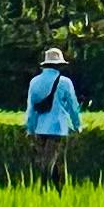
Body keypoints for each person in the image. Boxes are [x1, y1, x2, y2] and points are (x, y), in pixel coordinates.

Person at [22, 45, 82, 187]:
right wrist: (77, 124)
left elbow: (31, 109)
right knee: (53, 160)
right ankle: (45, 187)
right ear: (59, 65)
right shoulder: (65, 83)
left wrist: (30, 129)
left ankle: (56, 192)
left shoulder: (34, 82)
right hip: (58, 128)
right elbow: (73, 107)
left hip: (40, 128)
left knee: (49, 159)